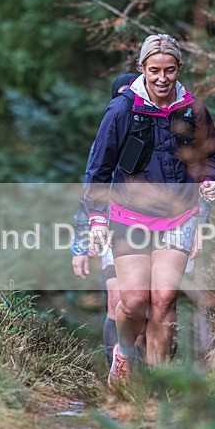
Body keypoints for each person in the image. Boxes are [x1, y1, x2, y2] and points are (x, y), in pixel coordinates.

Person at [81, 33, 215, 387]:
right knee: (133, 302)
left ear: (179, 69)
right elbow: (99, 168)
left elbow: (209, 158)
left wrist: (208, 181)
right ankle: (124, 355)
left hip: (179, 217)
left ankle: (158, 385)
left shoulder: (193, 110)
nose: (162, 78)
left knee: (164, 300)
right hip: (129, 218)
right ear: (142, 68)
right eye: (155, 70)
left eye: (169, 70)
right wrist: (96, 218)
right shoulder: (122, 109)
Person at [71, 73, 137, 366]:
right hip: (112, 227)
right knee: (116, 299)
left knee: (150, 306)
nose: (126, 102)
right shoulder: (106, 140)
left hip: (157, 228)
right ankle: (118, 372)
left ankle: (149, 373)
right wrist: (80, 244)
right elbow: (91, 188)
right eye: (120, 96)